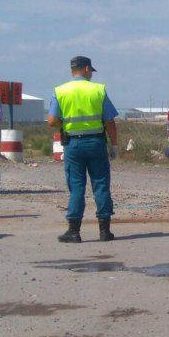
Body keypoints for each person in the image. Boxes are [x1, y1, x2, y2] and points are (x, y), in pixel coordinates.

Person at [47, 56, 119, 243]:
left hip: (73, 145)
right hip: (96, 143)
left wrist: (66, 123)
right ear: (87, 69)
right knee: (101, 184)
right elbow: (109, 121)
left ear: (73, 70)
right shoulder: (98, 90)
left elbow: (52, 121)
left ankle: (73, 231)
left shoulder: (61, 91)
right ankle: (104, 231)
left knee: (77, 187)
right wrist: (115, 145)